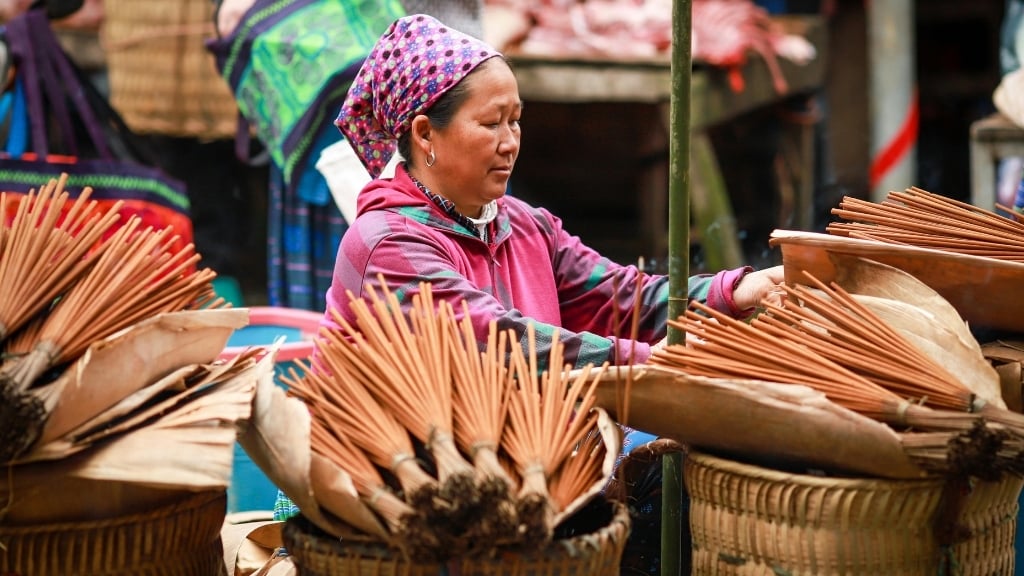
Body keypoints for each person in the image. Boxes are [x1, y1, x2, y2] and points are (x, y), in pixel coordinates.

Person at [325, 13, 785, 369]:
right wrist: (641, 362)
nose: (510, 142)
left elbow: (621, 297)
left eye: (515, 120)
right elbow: (498, 341)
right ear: (425, 134)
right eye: (490, 123)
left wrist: (737, 289)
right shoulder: (387, 246)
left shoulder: (524, 225)